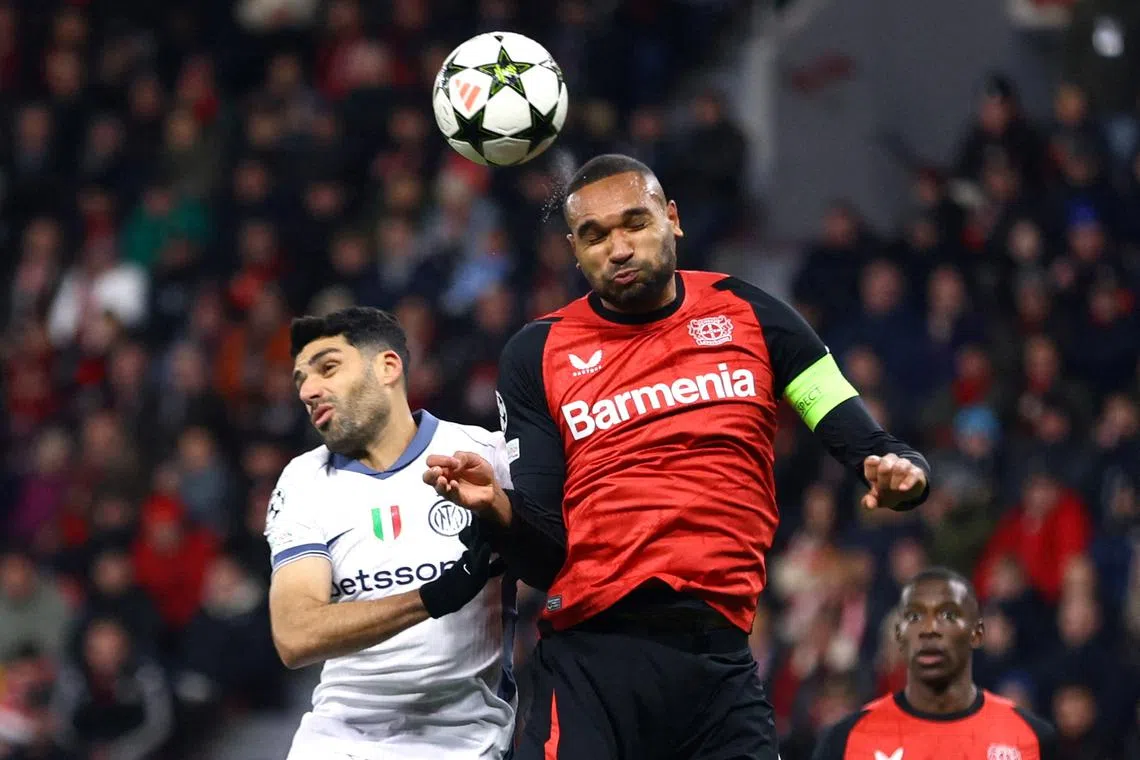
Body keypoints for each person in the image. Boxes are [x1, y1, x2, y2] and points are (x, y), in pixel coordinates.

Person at [423, 154, 931, 759]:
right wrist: (498, 509)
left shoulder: (753, 315)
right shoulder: (536, 353)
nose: (618, 249)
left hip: (721, 664)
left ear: (672, 218)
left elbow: (862, 436)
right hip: (593, 665)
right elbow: (545, 554)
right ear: (574, 251)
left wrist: (906, 474)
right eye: (594, 236)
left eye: (635, 223)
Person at [266, 306, 516, 760]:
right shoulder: (304, 479)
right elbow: (295, 634)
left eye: (327, 368)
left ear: (387, 367)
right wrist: (432, 597)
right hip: (336, 741)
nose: (307, 391)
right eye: (300, 379)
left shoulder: (485, 456)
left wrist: (504, 516)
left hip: (463, 743)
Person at [811, 567, 1057, 759]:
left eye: (948, 615)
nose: (929, 629)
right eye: (914, 616)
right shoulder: (846, 740)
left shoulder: (1032, 738)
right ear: (899, 635)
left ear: (976, 633)